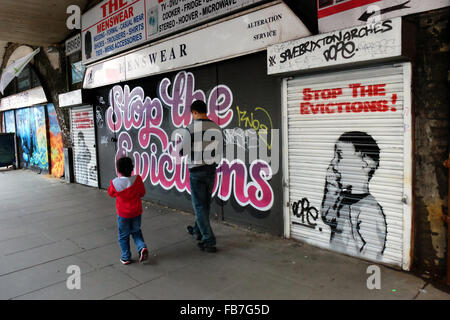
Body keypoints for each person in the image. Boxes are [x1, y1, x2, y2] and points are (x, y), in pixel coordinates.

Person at [320, 131, 387, 259]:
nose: (333, 163)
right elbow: (327, 217)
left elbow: (373, 250)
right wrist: (331, 186)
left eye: (339, 156)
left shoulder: (369, 208)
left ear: (365, 165)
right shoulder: (342, 198)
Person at [177, 100, 223, 253]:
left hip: (196, 171)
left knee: (199, 206)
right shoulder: (216, 127)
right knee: (205, 204)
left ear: (194, 112)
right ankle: (197, 231)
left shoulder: (190, 129)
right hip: (211, 170)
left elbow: (182, 151)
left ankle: (208, 240)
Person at [108, 156, 148, 264]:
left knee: (123, 235)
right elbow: (142, 193)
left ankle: (126, 257)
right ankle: (141, 247)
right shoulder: (138, 179)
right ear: (132, 168)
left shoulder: (115, 183)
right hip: (136, 212)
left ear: (118, 170)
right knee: (136, 231)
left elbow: (111, 193)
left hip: (123, 214)